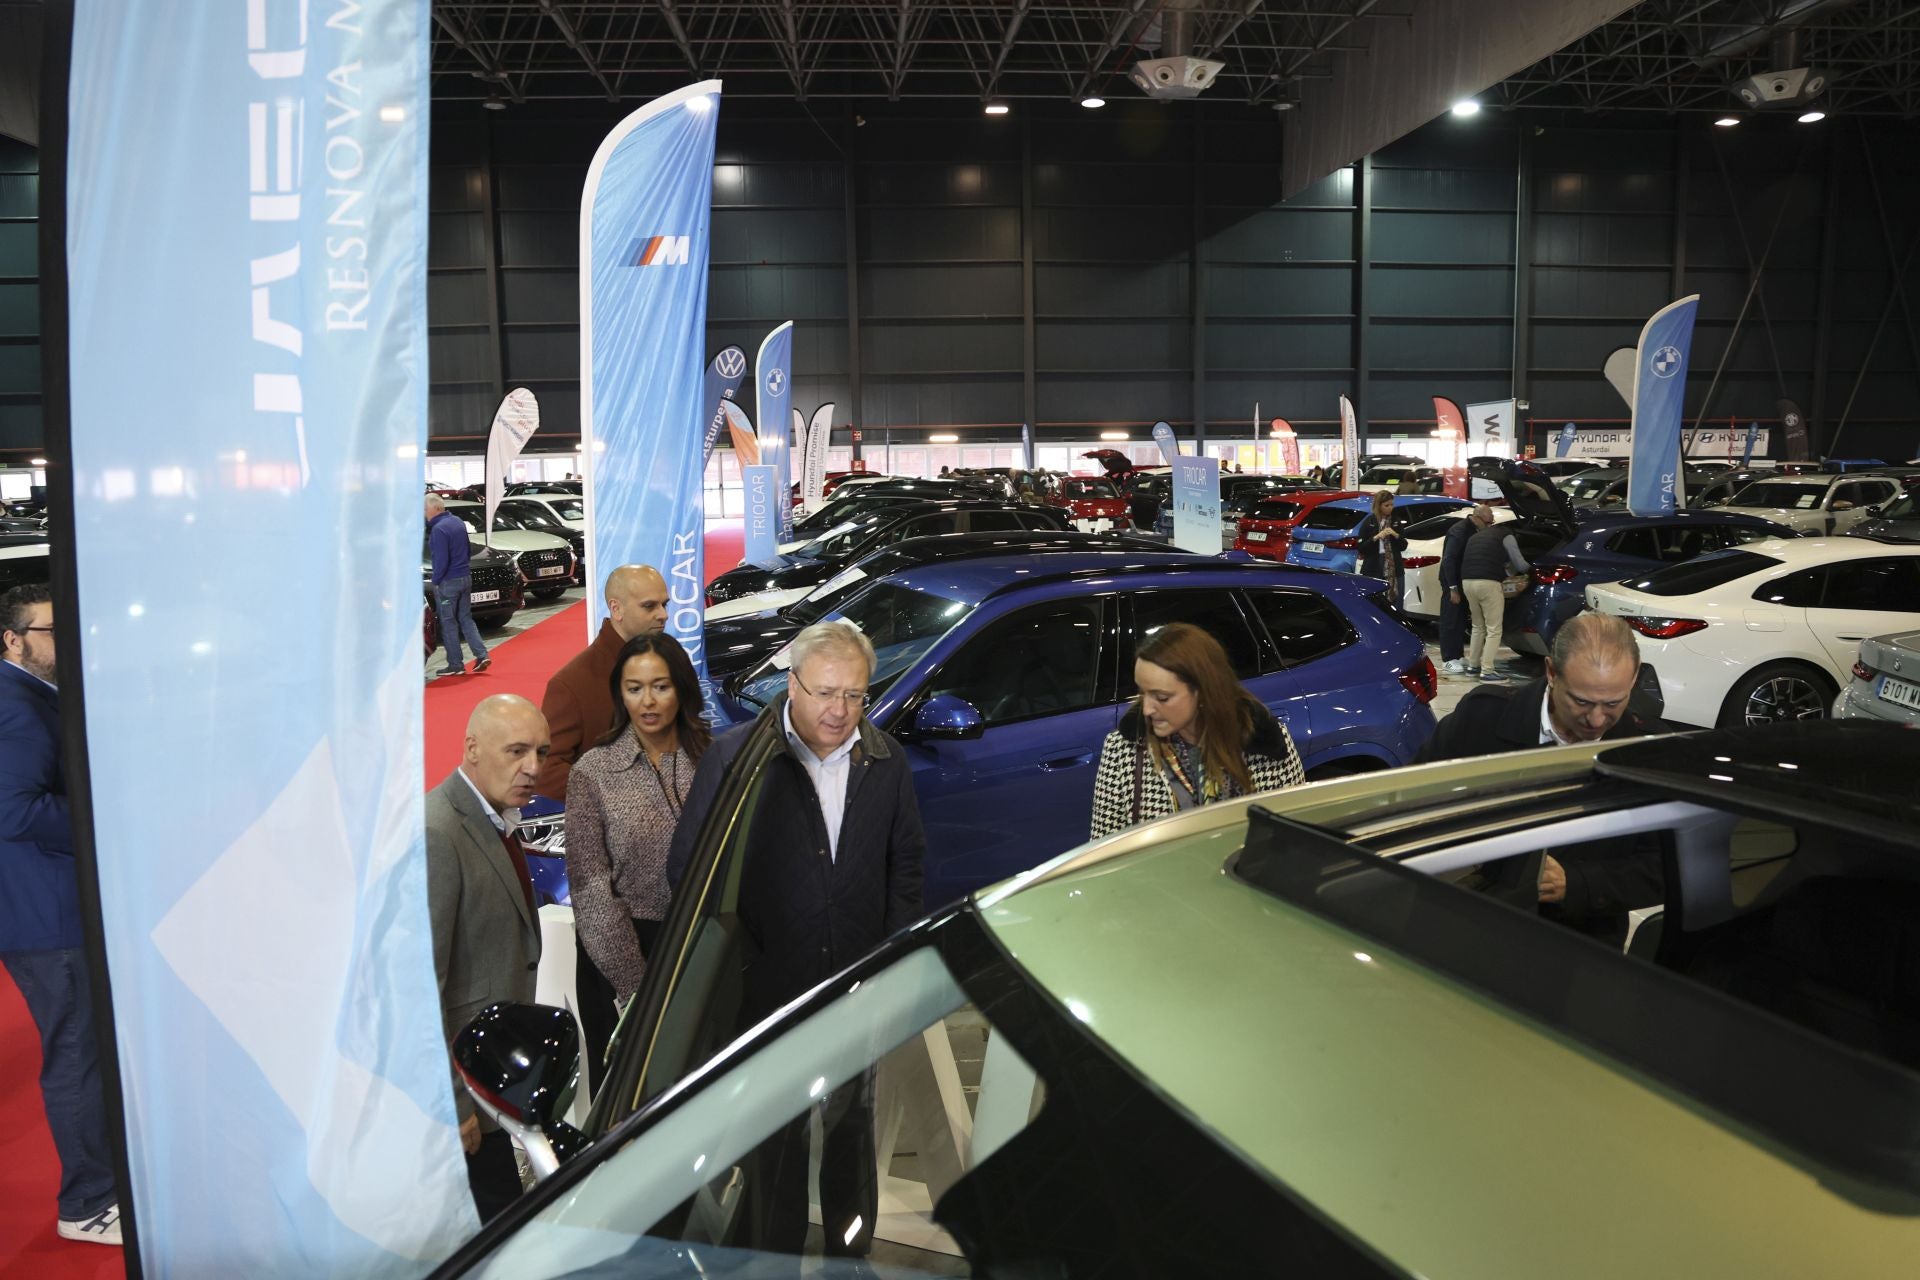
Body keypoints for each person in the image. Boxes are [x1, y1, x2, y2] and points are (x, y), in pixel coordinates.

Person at [665, 620, 925, 1264]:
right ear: (792, 685)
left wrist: (889, 962)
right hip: (767, 994)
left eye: (856, 696)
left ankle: (848, 1258)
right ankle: (769, 1261)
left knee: (848, 1130)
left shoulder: (884, 761)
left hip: (855, 988)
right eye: (826, 693)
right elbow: (688, 873)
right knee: (772, 1144)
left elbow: (908, 867)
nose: (841, 711)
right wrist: (744, 960)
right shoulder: (737, 760)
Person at [1413, 613, 1666, 943]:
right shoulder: (1481, 720)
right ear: (1551, 672)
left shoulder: (1650, 754)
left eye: (1613, 703)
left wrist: (1577, 884)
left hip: (1577, 946)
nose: (1597, 719)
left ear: (1633, 680)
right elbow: (1412, 800)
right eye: (1582, 701)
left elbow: (1662, 867)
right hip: (1466, 924)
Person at [0, 586, 121, 1246]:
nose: (66, 641)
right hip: (47, 920)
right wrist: (101, 818)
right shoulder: (16, 707)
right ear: (14, 639)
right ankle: (88, 1201)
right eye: (52, 630)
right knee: (76, 1056)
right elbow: (13, 811)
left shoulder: (31, 697)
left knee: (85, 1050)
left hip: (50, 910)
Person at [425, 695, 550, 1223]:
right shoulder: (438, 832)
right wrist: (452, 1107)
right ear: (472, 748)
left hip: (493, 1086)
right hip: (466, 1100)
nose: (533, 768)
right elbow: (423, 985)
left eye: (540, 752)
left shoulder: (494, 814)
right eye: (517, 751)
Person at [564, 633, 711, 1078]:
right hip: (620, 959)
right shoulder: (593, 771)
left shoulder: (712, 758)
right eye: (634, 688)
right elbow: (590, 891)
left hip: (700, 949)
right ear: (620, 693)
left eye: (661, 686)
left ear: (681, 688)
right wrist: (637, 989)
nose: (648, 701)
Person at [1090, 622, 1306, 839]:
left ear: (1202, 692)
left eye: (1162, 697)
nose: (1146, 709)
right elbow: (1103, 854)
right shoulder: (1122, 748)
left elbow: (1294, 841)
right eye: (1142, 692)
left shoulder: (1266, 745)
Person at [533, 564, 668, 802]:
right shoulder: (571, 684)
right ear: (616, 608)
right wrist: (618, 794)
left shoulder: (666, 663)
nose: (663, 614)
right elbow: (547, 770)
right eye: (649, 606)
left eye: (664, 604)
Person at [1460, 507, 1531, 682]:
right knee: (1494, 629)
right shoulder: (1506, 535)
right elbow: (1520, 564)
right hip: (1488, 583)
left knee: (1478, 626)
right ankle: (1487, 671)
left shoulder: (1475, 537)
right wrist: (1533, 570)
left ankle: (1473, 666)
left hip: (1467, 582)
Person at [427, 495, 490, 679]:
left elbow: (441, 560)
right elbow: (467, 549)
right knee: (466, 619)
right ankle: (482, 655)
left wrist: (436, 581)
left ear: (435, 509)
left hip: (448, 582)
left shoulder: (438, 529)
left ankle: (455, 664)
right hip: (465, 577)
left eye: (425, 510)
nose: (424, 514)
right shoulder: (457, 522)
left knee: (448, 623)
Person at [1437, 505, 1495, 676]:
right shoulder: (1459, 531)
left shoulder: (1476, 529)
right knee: (1450, 618)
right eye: (1488, 522)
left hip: (1464, 580)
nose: (1489, 525)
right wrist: (1453, 588)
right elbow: (1449, 560)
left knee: (1460, 618)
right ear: (1477, 517)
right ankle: (1448, 659)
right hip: (1451, 580)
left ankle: (1457, 654)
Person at [1353, 490, 1405, 595]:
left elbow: (1404, 545)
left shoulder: (1396, 521)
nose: (1390, 508)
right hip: (1373, 565)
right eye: (1387, 505)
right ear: (1379, 506)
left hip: (1394, 566)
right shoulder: (1370, 522)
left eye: (1391, 505)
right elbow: (1361, 547)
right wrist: (1375, 538)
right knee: (1373, 600)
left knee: (1396, 601)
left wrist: (1395, 535)